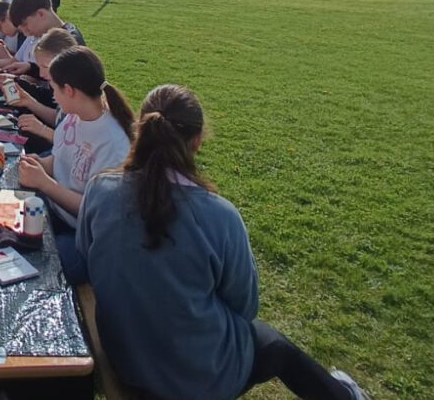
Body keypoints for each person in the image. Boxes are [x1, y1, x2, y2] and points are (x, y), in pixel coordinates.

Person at [76, 85, 371, 400]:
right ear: (198, 141)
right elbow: (245, 306)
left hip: (127, 356)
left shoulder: (100, 189)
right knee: (275, 346)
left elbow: (86, 255)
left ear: (140, 128)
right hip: (190, 378)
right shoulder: (219, 215)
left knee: (267, 343)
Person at [17, 46, 132, 282]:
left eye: (54, 88)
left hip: (84, 237)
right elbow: (62, 160)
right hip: (54, 210)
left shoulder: (113, 144)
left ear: (69, 90)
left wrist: (45, 183)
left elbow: (93, 210)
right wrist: (41, 164)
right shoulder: (73, 116)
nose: (53, 95)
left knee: (32, 268)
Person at [7, 0, 85, 78]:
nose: (26, 33)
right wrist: (30, 68)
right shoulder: (49, 36)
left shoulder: (69, 44)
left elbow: (59, 82)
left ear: (41, 14)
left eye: (25, 25)